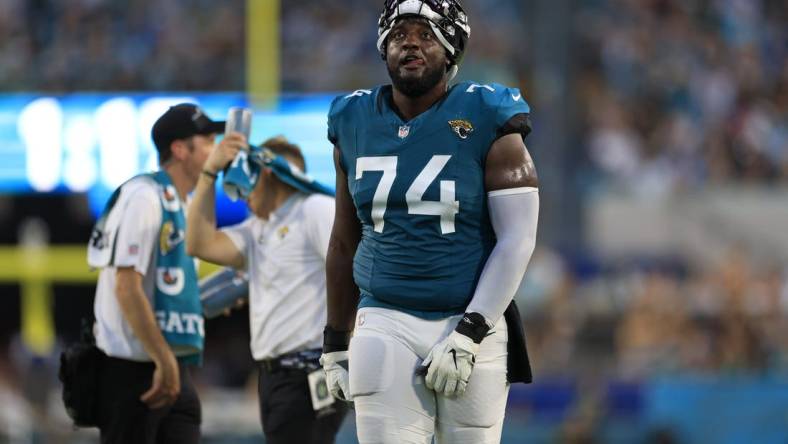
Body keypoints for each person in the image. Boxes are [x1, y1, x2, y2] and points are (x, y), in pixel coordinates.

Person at [320, 1, 540, 443]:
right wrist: (334, 341)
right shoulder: (353, 120)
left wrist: (472, 328)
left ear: (451, 48)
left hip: (470, 316)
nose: (411, 44)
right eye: (400, 35)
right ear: (384, 47)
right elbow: (344, 240)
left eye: (426, 34)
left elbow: (518, 239)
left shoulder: (488, 113)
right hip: (384, 315)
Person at [186, 135, 348, 443]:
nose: (243, 190)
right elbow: (198, 242)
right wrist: (209, 173)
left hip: (309, 370)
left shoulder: (314, 209)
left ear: (268, 172)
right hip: (275, 375)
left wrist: (343, 348)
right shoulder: (258, 227)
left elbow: (355, 276)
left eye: (250, 175)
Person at [88, 103, 224, 443]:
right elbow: (126, 287)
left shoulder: (184, 205)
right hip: (133, 370)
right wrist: (163, 359)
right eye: (207, 139)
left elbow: (173, 291)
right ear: (180, 149)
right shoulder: (143, 196)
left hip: (171, 367)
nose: (216, 148)